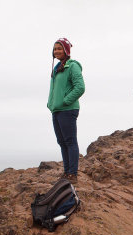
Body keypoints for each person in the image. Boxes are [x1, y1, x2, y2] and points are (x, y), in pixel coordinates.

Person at [47, 38, 85, 184]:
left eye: (59, 48)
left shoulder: (73, 66)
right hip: (56, 110)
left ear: (66, 50)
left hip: (68, 109)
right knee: (62, 142)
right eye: (55, 49)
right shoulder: (57, 67)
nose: (56, 51)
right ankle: (66, 171)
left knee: (70, 141)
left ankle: (72, 174)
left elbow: (80, 87)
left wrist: (65, 101)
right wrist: (50, 104)